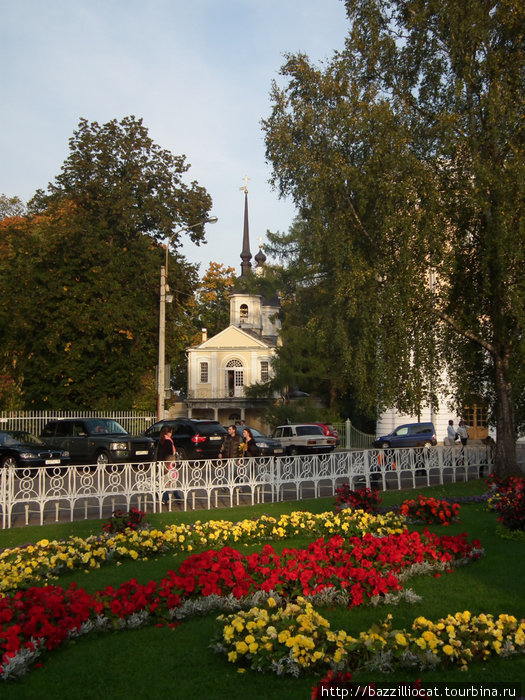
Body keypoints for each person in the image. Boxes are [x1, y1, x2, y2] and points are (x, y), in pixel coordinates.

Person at [157, 425, 182, 505]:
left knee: (165, 482)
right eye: (171, 432)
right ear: (168, 433)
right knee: (172, 480)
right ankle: (175, 497)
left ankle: (167, 498)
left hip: (162, 464)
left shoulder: (161, 440)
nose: (171, 434)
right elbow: (169, 453)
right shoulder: (168, 441)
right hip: (168, 464)